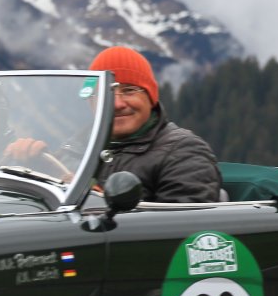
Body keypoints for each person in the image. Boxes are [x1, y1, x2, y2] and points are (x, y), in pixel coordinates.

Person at [88, 46, 220, 203]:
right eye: (105, 93)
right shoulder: (75, 149)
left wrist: (95, 200)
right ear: (92, 102)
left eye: (129, 90)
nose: (117, 104)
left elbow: (185, 217)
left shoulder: (184, 152)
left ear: (151, 97)